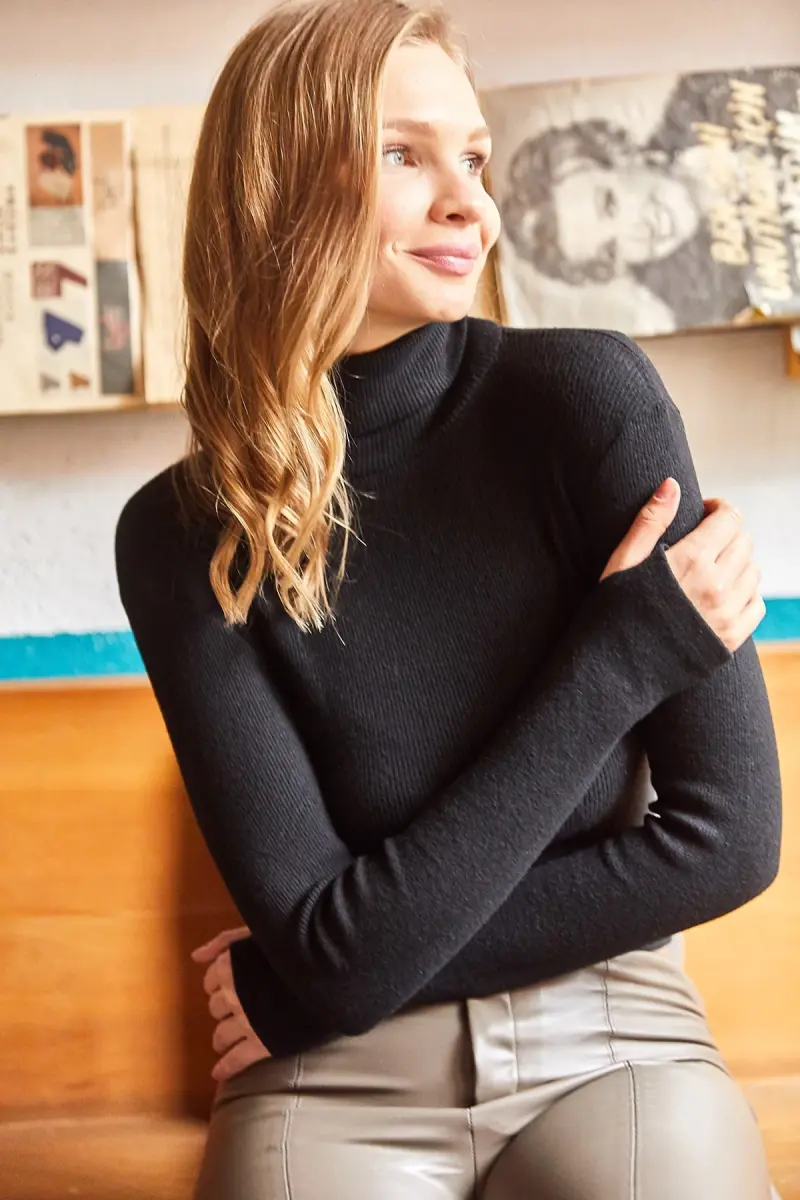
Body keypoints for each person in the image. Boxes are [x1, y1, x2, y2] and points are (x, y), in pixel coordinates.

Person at [115, 2, 783, 1197]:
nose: (468, 203)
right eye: (401, 155)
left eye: (470, 158)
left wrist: (323, 971)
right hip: (329, 1073)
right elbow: (329, 950)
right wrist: (620, 660)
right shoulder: (180, 533)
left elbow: (727, 843)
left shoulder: (586, 403)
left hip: (610, 1033)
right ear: (276, 189)